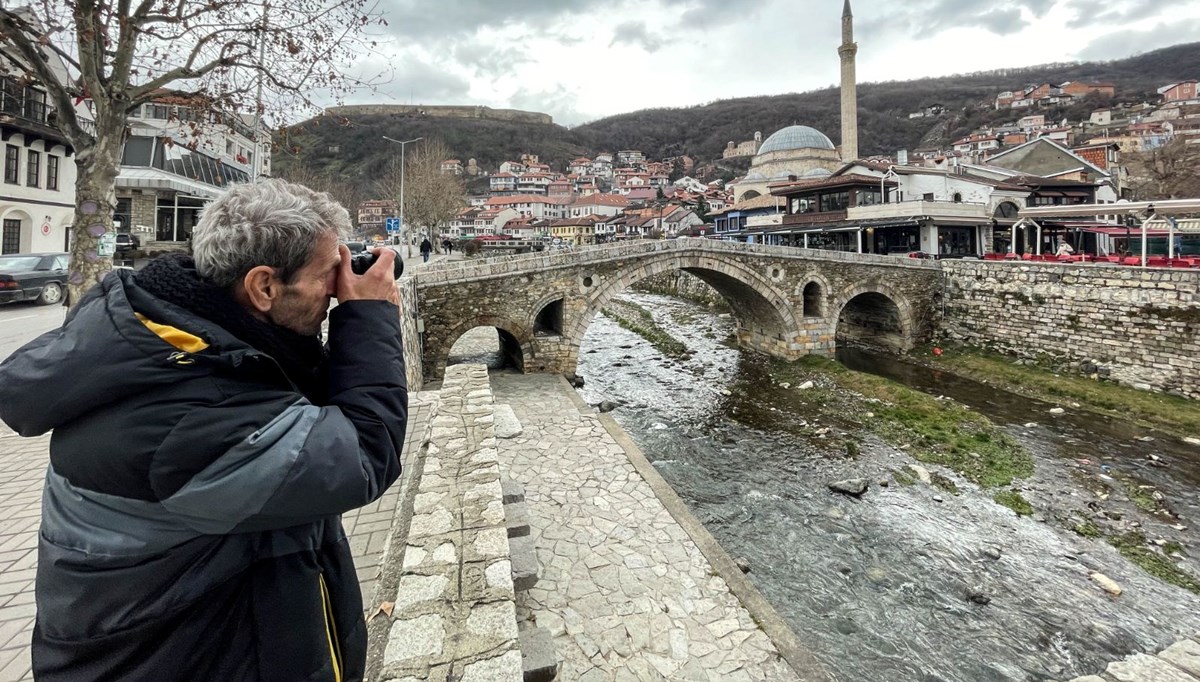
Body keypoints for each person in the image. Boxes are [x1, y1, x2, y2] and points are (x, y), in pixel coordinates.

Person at [0, 179, 408, 681]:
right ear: (263, 286)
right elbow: (363, 454)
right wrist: (371, 316)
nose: (336, 289)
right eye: (328, 273)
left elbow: (302, 405)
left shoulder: (192, 343)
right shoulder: (187, 416)